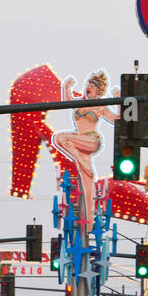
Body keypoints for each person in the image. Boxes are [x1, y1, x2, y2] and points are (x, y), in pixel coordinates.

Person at [51, 71, 119, 222]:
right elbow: (67, 102)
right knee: (87, 182)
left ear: (98, 90)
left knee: (60, 137)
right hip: (78, 143)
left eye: (92, 86)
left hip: (91, 140)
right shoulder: (79, 103)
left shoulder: (101, 106)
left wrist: (119, 99)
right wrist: (66, 87)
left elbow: (117, 119)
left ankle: (81, 162)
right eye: (88, 84)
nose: (88, 87)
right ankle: (88, 224)